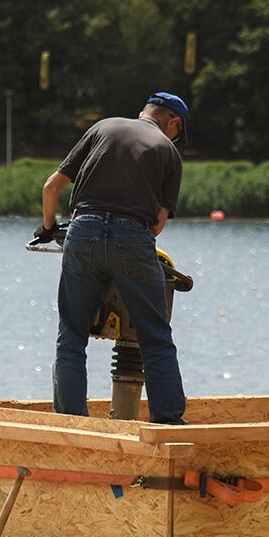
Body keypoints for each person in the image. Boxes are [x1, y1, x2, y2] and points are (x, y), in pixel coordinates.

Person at [38, 91, 189, 424]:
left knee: (71, 336)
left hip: (82, 230)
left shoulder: (103, 128)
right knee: (155, 337)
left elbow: (52, 187)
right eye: (178, 132)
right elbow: (157, 227)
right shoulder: (168, 152)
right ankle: (168, 423)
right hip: (133, 236)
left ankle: (71, 423)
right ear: (173, 122)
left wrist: (49, 227)